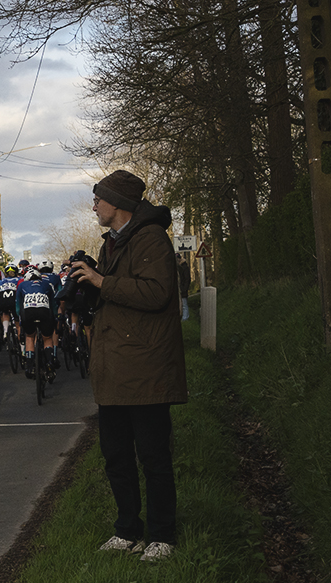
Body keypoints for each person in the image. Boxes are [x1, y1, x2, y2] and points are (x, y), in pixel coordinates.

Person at [71, 170, 188, 562]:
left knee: (153, 457)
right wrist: (87, 282)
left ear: (118, 203)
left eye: (98, 199)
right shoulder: (113, 242)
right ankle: (127, 531)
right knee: (116, 457)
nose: (93, 207)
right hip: (116, 368)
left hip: (146, 368)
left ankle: (162, 536)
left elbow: (157, 293)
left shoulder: (150, 238)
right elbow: (113, 295)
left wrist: (101, 281)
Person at [177, 254, 192, 321]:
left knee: (184, 304)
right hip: (180, 288)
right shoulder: (178, 267)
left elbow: (187, 279)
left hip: (182, 289)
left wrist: (184, 289)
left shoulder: (184, 267)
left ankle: (185, 318)